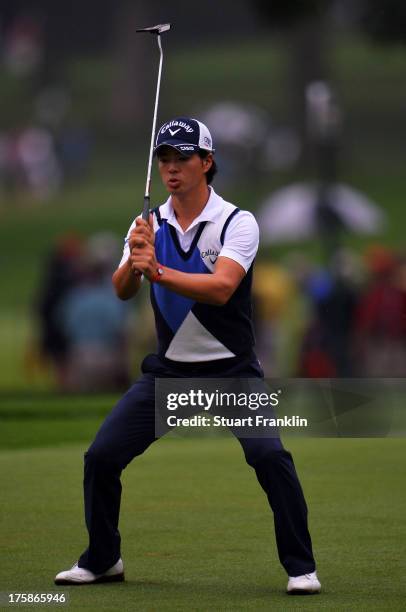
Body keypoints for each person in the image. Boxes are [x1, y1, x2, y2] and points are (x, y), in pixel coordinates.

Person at [54, 117, 321, 594]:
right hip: (170, 375)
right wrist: (135, 261)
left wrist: (154, 270)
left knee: (269, 457)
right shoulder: (148, 223)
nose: (172, 168)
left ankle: (301, 567)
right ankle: (102, 559)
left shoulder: (238, 222)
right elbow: (121, 291)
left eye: (182, 158)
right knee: (102, 456)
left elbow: (221, 288)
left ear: (207, 162)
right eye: (165, 159)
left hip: (233, 373)